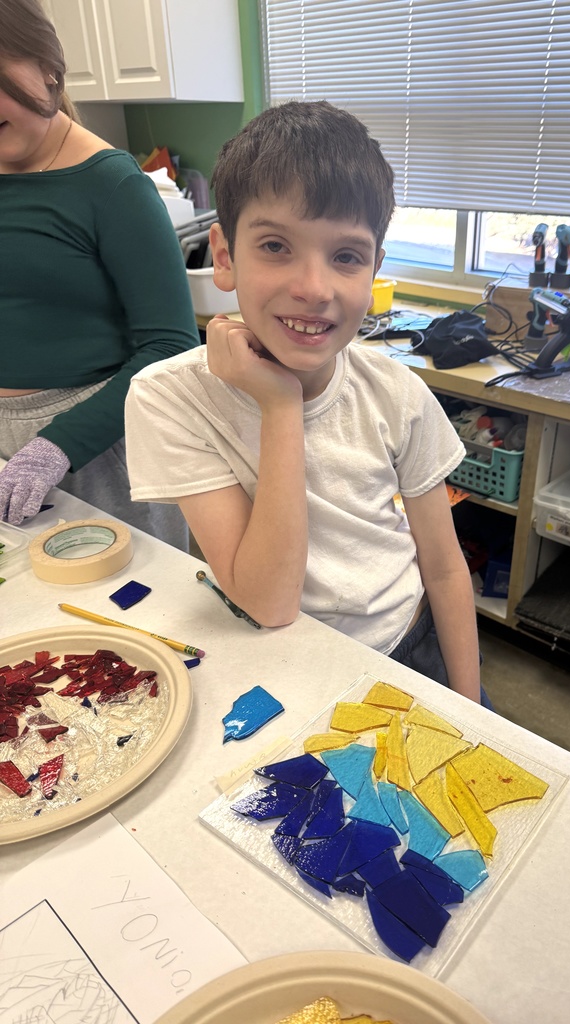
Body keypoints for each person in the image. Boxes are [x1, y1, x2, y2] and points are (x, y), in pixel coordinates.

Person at [125, 100, 485, 704]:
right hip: (280, 661)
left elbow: (445, 570)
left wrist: (472, 705)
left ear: (373, 271)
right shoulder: (169, 399)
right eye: (275, 246)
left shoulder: (397, 395)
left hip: (409, 645)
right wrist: (280, 407)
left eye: (346, 256)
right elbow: (267, 602)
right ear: (224, 255)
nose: (314, 288)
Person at [0, 0, 199, 546]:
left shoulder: (112, 185)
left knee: (131, 612)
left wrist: (55, 445)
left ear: (48, 66)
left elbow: (171, 346)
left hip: (97, 447)